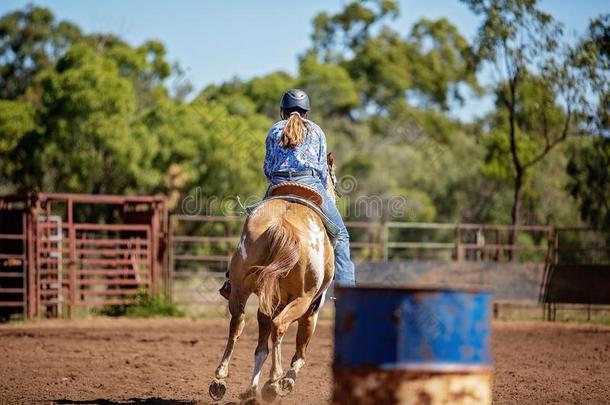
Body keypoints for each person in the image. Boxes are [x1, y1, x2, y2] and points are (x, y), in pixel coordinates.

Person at [219, 89, 355, 299]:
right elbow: (320, 169)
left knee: (253, 226)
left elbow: (267, 167)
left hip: (278, 185)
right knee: (342, 235)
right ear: (306, 112)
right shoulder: (317, 131)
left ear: (282, 111)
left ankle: (231, 279)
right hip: (309, 184)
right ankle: (347, 295)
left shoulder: (274, 130)